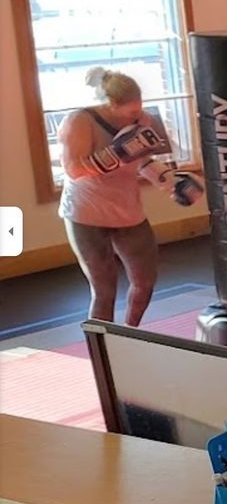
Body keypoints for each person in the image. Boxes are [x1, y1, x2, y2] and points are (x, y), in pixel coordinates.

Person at [59, 68, 171, 325]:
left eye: (138, 109)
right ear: (111, 105)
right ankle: (103, 344)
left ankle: (130, 331)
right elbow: (73, 169)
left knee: (145, 281)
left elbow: (142, 161)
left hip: (127, 210)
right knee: (104, 289)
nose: (136, 115)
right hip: (86, 212)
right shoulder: (79, 121)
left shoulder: (143, 121)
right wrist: (115, 156)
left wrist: (170, 182)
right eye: (131, 112)